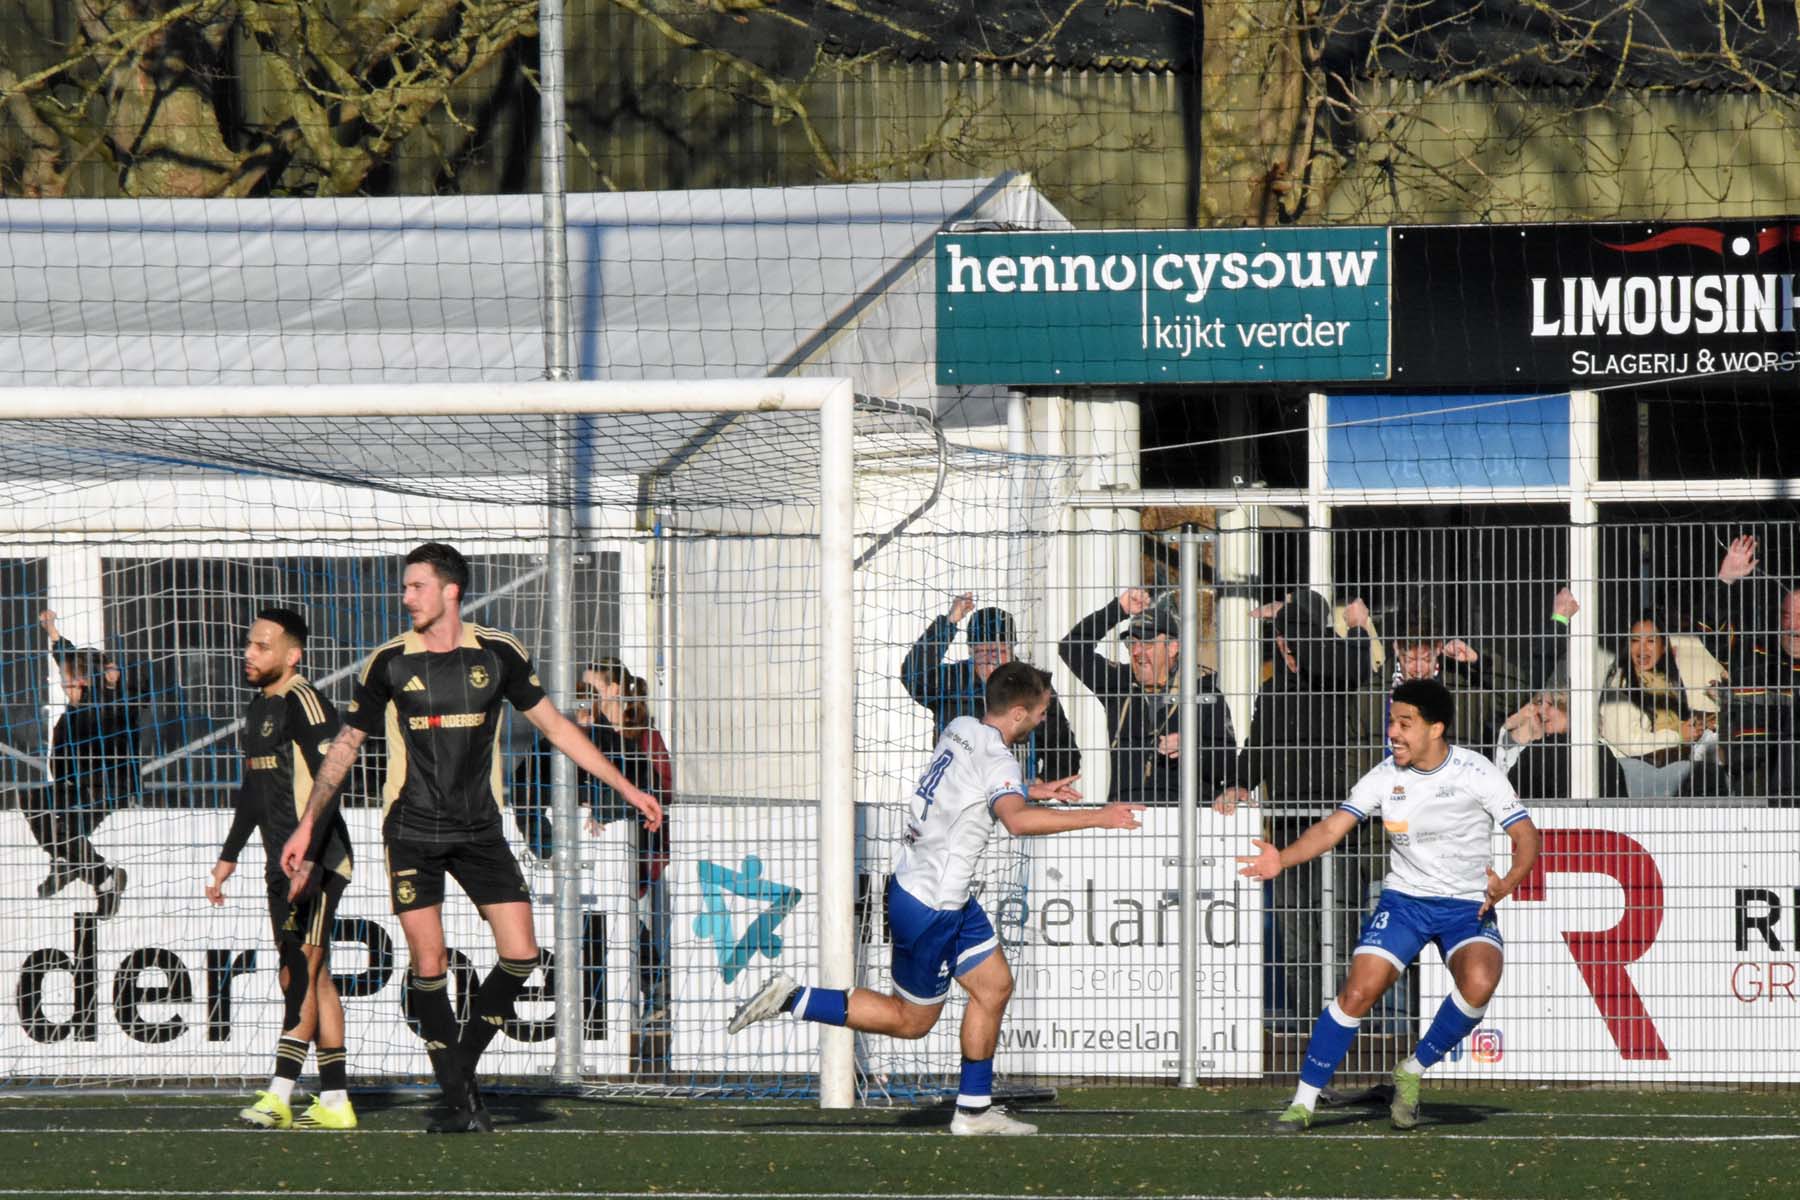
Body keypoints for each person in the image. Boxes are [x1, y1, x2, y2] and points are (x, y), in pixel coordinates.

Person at [277, 542, 662, 1133]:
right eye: (405, 587)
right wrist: (307, 824)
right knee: (428, 961)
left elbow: (558, 728)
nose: (406, 597)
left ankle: (457, 1071)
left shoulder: (498, 653)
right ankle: (461, 1100)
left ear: (450, 591)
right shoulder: (388, 662)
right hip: (411, 830)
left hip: (481, 828)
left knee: (522, 954)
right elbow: (347, 746)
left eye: (417, 586)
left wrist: (628, 788)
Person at [726, 661, 1140, 1135]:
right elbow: (1017, 821)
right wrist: (1099, 817)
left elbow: (969, 786)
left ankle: (973, 1112)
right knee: (911, 1022)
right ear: (1019, 714)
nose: (1044, 719)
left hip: (936, 892)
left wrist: (1032, 788)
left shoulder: (961, 727)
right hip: (932, 906)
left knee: (994, 986)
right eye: (1042, 712)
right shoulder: (1000, 761)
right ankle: (794, 998)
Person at [1239, 678, 1541, 1132]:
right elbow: (1331, 828)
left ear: (1436, 728)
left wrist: (1508, 883)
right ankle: (1303, 1102)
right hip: (1404, 903)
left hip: (1466, 907)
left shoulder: (1476, 771)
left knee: (1480, 984)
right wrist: (1281, 858)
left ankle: (1412, 1069)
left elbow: (1526, 837)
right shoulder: (1384, 775)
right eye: (1391, 722)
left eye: (1404, 723)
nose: (1393, 733)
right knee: (1357, 993)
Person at [206, 609, 356, 1131]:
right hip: (281, 862)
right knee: (309, 973)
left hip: (319, 860)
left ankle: (279, 1093)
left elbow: (333, 781)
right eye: (249, 644)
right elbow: (254, 789)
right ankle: (335, 1100)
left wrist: (311, 856)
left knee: (299, 970)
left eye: (262, 646)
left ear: (292, 655)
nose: (249, 653)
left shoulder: (305, 702)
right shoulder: (258, 707)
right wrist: (229, 856)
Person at [1217, 589, 1379, 1023]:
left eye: (1293, 634)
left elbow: (1355, 663)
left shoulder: (1335, 675)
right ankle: (1310, 1027)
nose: (1285, 645)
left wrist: (1356, 628)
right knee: (1296, 940)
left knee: (1339, 936)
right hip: (1288, 831)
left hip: (1338, 831)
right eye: (1281, 636)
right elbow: (1257, 748)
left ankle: (1343, 1028)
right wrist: (1238, 784)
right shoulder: (1273, 690)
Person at [1057, 587, 1240, 806]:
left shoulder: (1205, 694)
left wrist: (1193, 749)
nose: (1136, 651)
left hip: (1184, 815)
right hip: (1126, 814)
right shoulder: (1119, 683)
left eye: (1148, 643)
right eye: (1132, 643)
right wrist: (1118, 609)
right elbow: (1071, 648)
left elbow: (1228, 766)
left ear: (1172, 648)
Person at [26, 609, 139, 916]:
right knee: (35, 799)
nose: (65, 684)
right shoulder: (74, 709)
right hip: (72, 786)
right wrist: (52, 631)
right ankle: (65, 861)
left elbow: (122, 695)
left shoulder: (103, 706)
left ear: (87, 681)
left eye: (70, 680)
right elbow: (67, 658)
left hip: (103, 787)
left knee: (68, 827)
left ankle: (104, 879)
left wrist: (112, 680)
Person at [901, 593, 1080, 783]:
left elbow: (1064, 750)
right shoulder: (952, 680)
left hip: (1013, 791)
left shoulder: (1033, 686)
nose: (991, 658)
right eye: (982, 651)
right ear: (971, 650)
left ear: (1012, 649)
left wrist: (1039, 785)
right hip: (956, 789)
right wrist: (949, 623)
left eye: (999, 651)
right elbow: (913, 676)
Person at [1711, 534, 1800, 802]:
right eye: (1787, 616)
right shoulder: (1751, 655)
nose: (1793, 626)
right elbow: (1712, 629)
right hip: (1755, 795)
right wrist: (1725, 580)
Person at [1597, 613, 1725, 798]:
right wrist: (1678, 736)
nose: (1642, 648)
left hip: (1659, 773)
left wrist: (1700, 724)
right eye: (1635, 641)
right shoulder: (1620, 686)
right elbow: (1630, 744)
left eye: (1650, 641)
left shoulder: (1663, 682)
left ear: (1664, 646)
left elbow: (1668, 723)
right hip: (1630, 778)